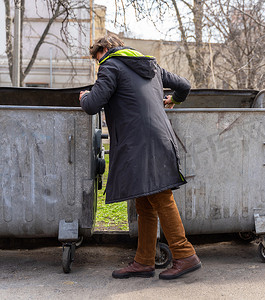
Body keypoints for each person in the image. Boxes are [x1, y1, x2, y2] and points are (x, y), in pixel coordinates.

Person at [79, 33, 201, 280]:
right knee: (145, 202)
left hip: (139, 142)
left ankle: (184, 254)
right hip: (158, 137)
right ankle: (144, 261)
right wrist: (173, 99)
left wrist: (83, 97)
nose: (98, 64)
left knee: (160, 196)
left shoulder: (110, 66)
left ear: (104, 50)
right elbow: (184, 85)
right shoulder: (149, 64)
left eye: (97, 58)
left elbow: (93, 104)